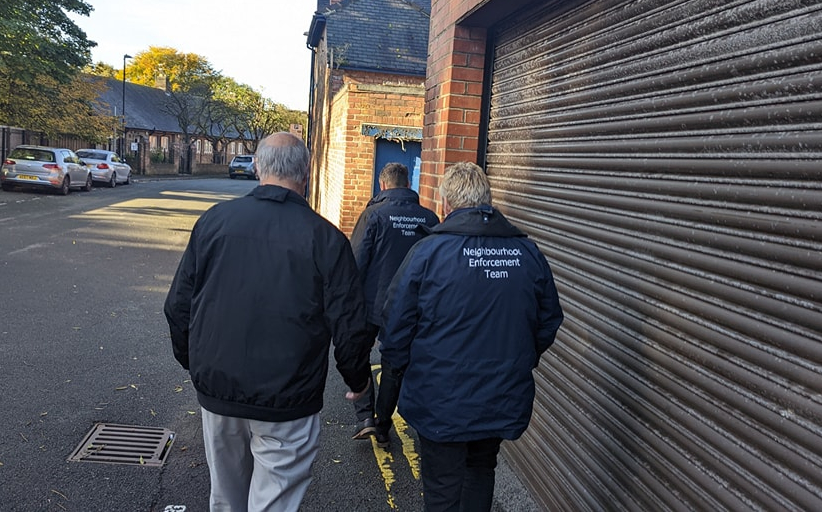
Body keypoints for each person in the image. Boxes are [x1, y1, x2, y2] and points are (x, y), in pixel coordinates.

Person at [164, 132, 374, 512]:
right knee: (273, 503)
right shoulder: (326, 239)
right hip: (288, 399)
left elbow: (179, 307)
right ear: (307, 173)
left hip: (220, 391)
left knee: (226, 500)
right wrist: (358, 380)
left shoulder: (213, 223)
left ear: (258, 166)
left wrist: (196, 364)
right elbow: (350, 325)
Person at [380, 161, 564, 511]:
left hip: (440, 399)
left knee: (442, 488)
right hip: (499, 395)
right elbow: (548, 320)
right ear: (488, 200)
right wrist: (518, 359)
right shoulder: (526, 253)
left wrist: (398, 374)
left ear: (446, 204)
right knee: (481, 471)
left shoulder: (428, 253)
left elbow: (395, 327)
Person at [348, 162, 439, 444]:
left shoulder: (373, 215)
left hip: (373, 304)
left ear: (382, 185)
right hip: (412, 307)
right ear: (408, 184)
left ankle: (366, 416)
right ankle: (383, 422)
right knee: (394, 364)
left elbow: (356, 262)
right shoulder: (430, 218)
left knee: (358, 356)